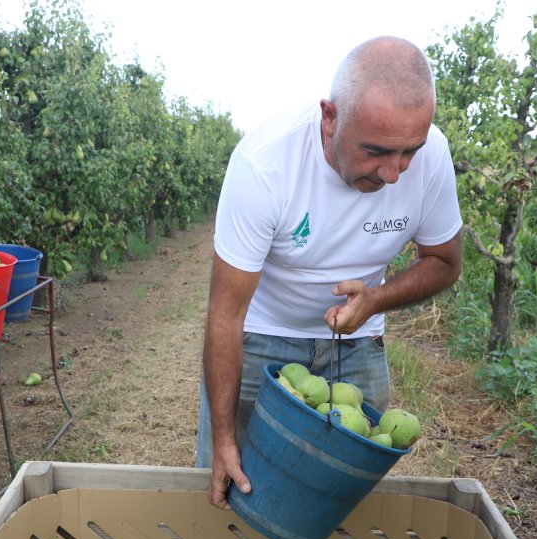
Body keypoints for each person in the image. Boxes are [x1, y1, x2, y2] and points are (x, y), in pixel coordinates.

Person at [197, 36, 464, 510]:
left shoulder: (433, 157)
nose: (393, 174)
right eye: (377, 151)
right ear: (329, 116)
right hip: (261, 340)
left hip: (359, 346)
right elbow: (224, 316)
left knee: (339, 501)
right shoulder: (265, 165)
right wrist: (221, 437)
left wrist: (376, 299)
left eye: (409, 152)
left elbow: (445, 262)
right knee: (234, 488)